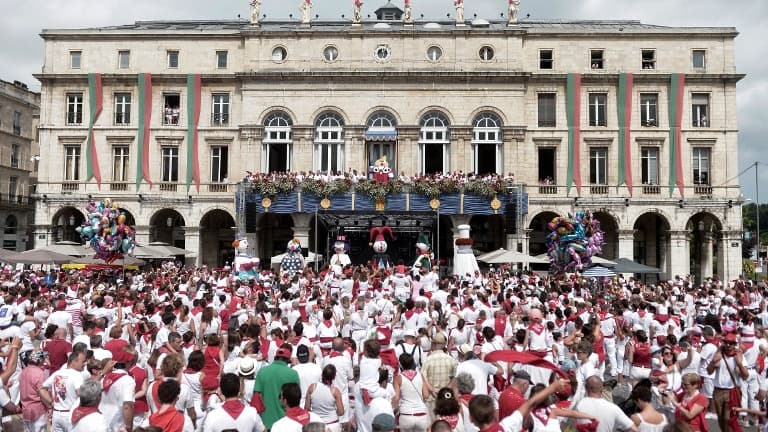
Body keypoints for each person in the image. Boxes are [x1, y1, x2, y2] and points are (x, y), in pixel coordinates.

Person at [468, 379, 569, 431]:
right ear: (493, 413)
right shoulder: (506, 426)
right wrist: (552, 387)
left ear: (471, 418)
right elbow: (530, 403)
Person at [252, 346, 300, 430]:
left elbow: (257, 397)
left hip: (265, 422)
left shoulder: (262, 371)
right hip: (286, 423)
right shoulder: (293, 373)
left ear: (275, 358)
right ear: (288, 360)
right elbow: (296, 398)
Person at [40, 350, 86, 432]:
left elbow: (42, 389)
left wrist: (50, 404)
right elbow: (81, 394)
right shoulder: (77, 375)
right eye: (83, 361)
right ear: (74, 361)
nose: (84, 364)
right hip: (70, 415)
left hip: (56, 415)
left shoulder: (57, 373)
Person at [573, 376, 637, 432]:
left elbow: (573, 427)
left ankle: (608, 389)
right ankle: (608, 389)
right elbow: (634, 429)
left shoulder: (579, 405)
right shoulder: (613, 408)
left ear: (586, 388)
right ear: (602, 388)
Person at [100, 348, 136, 432]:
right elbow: (127, 406)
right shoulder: (127, 380)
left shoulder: (104, 378)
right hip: (118, 426)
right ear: (128, 363)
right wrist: (129, 427)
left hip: (102, 423)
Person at [394, 353, 429, 432]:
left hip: (406, 414)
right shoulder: (420, 376)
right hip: (421, 415)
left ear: (401, 364)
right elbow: (426, 395)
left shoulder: (398, 378)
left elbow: (396, 398)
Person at [305, 364, 344, 432]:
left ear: (322, 374)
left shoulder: (312, 387)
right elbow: (341, 412)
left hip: (316, 425)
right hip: (332, 424)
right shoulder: (335, 391)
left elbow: (307, 408)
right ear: (334, 377)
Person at [19, 349, 48, 432]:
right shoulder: (39, 373)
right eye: (43, 358)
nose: (44, 360)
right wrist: (50, 406)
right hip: (38, 411)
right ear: (38, 360)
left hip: (26, 410)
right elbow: (43, 394)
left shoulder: (23, 371)